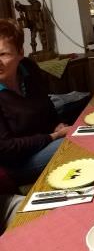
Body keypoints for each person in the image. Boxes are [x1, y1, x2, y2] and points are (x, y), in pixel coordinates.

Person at [0, 20, 68, 185]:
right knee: (73, 144)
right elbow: (5, 148)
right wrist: (53, 136)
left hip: (44, 143)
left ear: (20, 53)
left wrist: (56, 124)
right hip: (17, 164)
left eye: (3, 54)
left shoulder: (28, 68)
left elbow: (46, 104)